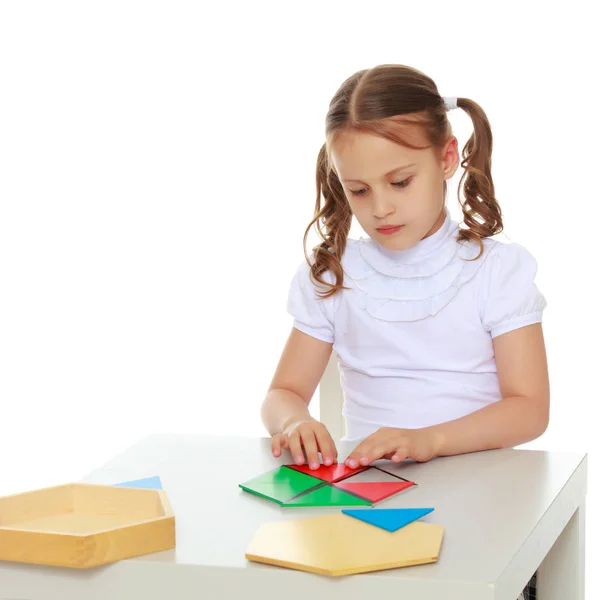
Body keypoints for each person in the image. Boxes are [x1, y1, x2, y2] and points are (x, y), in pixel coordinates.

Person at [261, 64, 547, 600]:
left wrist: (428, 440)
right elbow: (283, 392)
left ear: (446, 158)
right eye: (359, 190)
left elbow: (529, 408)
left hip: (485, 498)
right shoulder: (333, 275)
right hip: (371, 503)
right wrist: (294, 421)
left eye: (400, 181)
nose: (381, 207)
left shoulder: (496, 272)